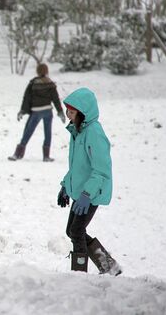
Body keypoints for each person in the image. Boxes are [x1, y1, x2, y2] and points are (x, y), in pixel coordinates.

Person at [57, 87, 121, 275]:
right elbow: (78, 167)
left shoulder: (94, 133)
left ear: (83, 113)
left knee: (76, 231)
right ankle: (109, 266)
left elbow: (101, 170)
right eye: (67, 110)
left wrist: (87, 194)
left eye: (72, 111)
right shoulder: (78, 131)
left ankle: (79, 275)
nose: (68, 114)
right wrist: (65, 186)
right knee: (71, 231)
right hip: (81, 190)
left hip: (91, 192)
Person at [8, 63, 66, 162]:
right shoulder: (50, 84)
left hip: (36, 111)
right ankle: (46, 156)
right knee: (48, 132)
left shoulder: (33, 83)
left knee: (28, 132)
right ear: (47, 71)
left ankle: (17, 154)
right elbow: (55, 99)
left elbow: (27, 98)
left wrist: (23, 111)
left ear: (37, 71)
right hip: (48, 111)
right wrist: (60, 112)